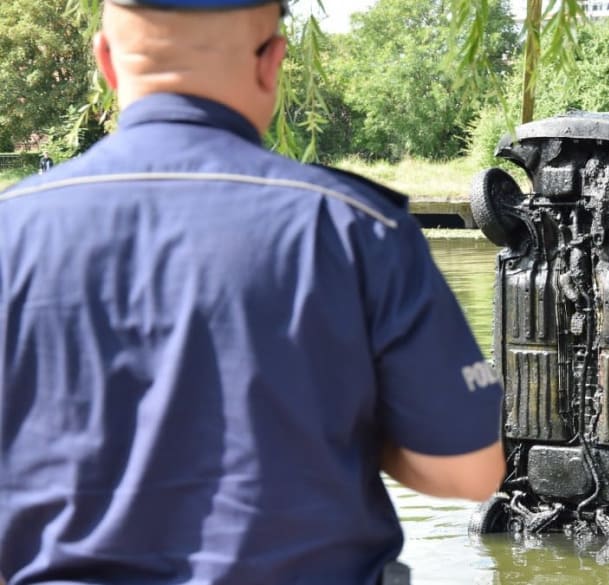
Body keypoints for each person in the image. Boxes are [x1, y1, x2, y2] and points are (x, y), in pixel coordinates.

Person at [0, 1, 505, 584]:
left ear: (107, 61)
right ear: (272, 62)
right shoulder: (357, 229)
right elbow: (469, 473)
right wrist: (353, 423)